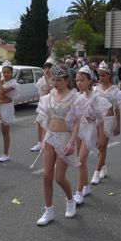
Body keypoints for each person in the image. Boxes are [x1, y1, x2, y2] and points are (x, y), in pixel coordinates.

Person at [34, 64, 81, 226]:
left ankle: (70, 200)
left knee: (59, 178)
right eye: (53, 80)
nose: (55, 83)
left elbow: (77, 122)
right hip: (50, 137)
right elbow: (44, 120)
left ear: (67, 80)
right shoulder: (49, 96)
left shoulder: (74, 97)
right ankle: (48, 210)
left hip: (64, 138)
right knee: (47, 175)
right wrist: (42, 140)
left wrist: (71, 141)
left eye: (59, 80)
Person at [73, 66, 110, 205]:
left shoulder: (96, 98)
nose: (79, 83)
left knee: (80, 161)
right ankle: (86, 187)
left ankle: (78, 193)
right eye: (77, 80)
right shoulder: (76, 97)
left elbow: (100, 119)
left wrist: (100, 137)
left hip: (89, 129)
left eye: (82, 80)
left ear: (89, 81)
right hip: (79, 129)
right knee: (80, 161)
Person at [92, 61, 121, 185]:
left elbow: (117, 109)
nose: (101, 77)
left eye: (103, 75)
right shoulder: (95, 89)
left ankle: (96, 172)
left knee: (102, 145)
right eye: (99, 75)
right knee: (98, 145)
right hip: (97, 120)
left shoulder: (115, 91)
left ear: (109, 75)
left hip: (109, 120)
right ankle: (103, 167)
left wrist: (118, 125)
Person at [31, 58, 54, 152]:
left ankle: (47, 143)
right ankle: (39, 142)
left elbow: (52, 90)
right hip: (43, 103)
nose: (47, 70)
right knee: (40, 123)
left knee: (48, 124)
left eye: (49, 67)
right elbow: (40, 92)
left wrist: (47, 81)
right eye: (46, 68)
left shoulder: (55, 79)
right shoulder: (41, 79)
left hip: (51, 104)